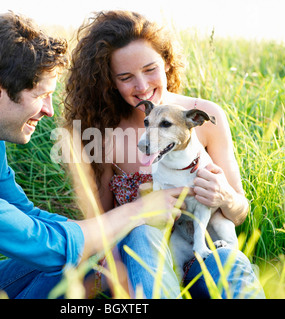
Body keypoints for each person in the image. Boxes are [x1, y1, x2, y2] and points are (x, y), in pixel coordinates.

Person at [0, 12, 183, 299]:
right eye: (40, 95)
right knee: (80, 247)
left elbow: (29, 217)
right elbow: (42, 245)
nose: (50, 111)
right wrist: (136, 210)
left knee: (98, 250)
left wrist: (112, 232)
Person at [63, 10, 265, 298]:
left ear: (167, 64)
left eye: (150, 69)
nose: (142, 87)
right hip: (143, 262)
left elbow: (240, 213)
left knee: (228, 262)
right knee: (142, 233)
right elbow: (102, 225)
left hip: (205, 251)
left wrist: (225, 197)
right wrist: (143, 209)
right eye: (125, 77)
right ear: (110, 81)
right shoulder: (103, 133)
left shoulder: (203, 116)